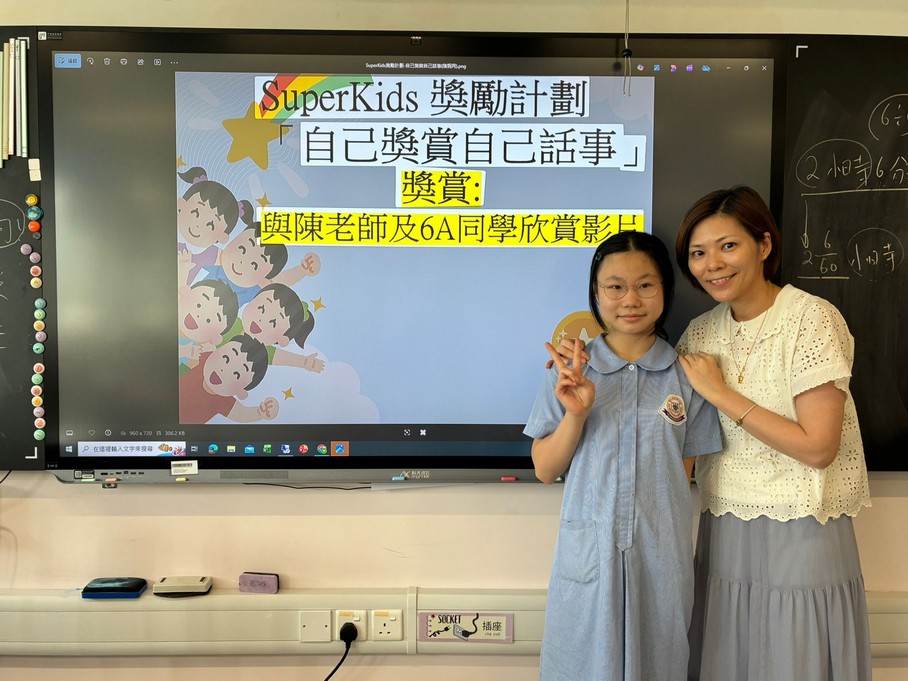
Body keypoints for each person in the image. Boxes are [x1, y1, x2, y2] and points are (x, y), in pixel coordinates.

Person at [553, 187, 873, 681]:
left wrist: (721, 393)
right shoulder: (700, 334)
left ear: (763, 245)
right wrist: (580, 370)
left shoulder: (810, 318)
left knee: (796, 655)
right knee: (728, 654)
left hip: (802, 520)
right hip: (723, 523)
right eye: (698, 253)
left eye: (728, 246)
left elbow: (819, 447)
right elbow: (664, 432)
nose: (712, 265)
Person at [525, 230, 722, 681]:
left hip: (662, 560)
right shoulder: (569, 370)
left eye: (645, 285)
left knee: (658, 665)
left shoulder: (688, 377)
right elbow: (545, 469)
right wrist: (577, 414)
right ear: (596, 294)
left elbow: (682, 477)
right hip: (589, 558)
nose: (630, 299)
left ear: (665, 290)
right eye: (615, 287)